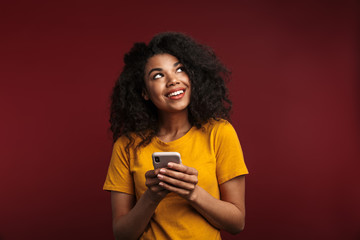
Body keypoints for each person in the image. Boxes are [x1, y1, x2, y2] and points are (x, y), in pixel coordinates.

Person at [103, 32, 249, 240]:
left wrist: (192, 193)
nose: (172, 81)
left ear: (192, 76)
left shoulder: (220, 132)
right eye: (158, 75)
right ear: (144, 92)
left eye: (180, 69)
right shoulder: (126, 146)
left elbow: (237, 223)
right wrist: (151, 197)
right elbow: (122, 234)